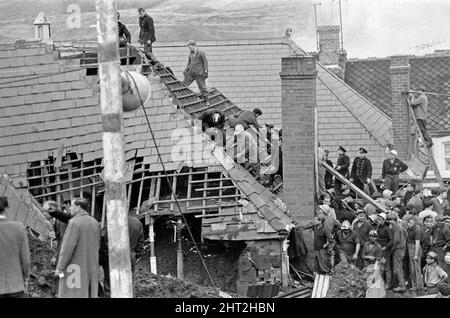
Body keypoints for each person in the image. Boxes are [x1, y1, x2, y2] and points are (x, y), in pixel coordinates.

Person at [55, 198, 100, 298]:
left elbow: (67, 248)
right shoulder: (95, 222)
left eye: (72, 205)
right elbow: (98, 245)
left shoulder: (74, 223)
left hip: (74, 269)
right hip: (91, 267)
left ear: (78, 207)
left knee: (72, 294)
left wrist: (60, 267)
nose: (70, 208)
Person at [0, 196, 30, 298]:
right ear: (6, 208)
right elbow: (25, 258)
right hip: (15, 284)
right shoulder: (18, 228)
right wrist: (26, 277)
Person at [182, 40, 209, 106]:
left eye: (190, 47)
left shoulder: (201, 53)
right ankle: (181, 100)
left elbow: (205, 62)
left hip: (199, 74)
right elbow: (189, 63)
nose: (189, 48)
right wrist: (186, 69)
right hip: (191, 73)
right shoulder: (190, 54)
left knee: (202, 88)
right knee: (183, 84)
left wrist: (205, 71)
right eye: (188, 47)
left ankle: (207, 101)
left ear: (194, 45)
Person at [387, 212, 408, 292]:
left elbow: (396, 240)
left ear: (394, 220)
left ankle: (402, 286)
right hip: (402, 248)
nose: (390, 221)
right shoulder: (400, 225)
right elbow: (406, 234)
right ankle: (401, 284)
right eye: (389, 220)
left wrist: (393, 248)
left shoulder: (396, 227)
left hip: (398, 249)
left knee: (397, 267)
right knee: (399, 267)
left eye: (391, 220)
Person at [404, 215, 424, 292]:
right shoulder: (408, 229)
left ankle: (418, 286)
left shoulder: (417, 229)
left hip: (415, 248)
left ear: (414, 222)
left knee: (416, 268)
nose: (408, 224)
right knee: (412, 268)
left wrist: (416, 255)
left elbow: (417, 243)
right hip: (410, 248)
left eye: (410, 222)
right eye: (408, 222)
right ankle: (415, 285)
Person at [376, 213, 393, 289]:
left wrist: (385, 247)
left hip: (385, 251)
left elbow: (391, 240)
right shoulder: (378, 227)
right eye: (377, 219)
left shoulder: (387, 228)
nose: (378, 221)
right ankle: (381, 282)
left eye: (379, 219)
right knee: (380, 267)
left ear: (383, 220)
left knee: (386, 267)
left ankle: (388, 284)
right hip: (379, 250)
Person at [431, 215, 450, 283]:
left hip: (441, 248)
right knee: (437, 265)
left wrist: (445, 246)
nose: (439, 222)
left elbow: (449, 240)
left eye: (440, 221)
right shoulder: (435, 227)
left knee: (443, 265)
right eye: (437, 221)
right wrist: (432, 241)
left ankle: (447, 282)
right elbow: (431, 233)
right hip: (435, 247)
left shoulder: (445, 229)